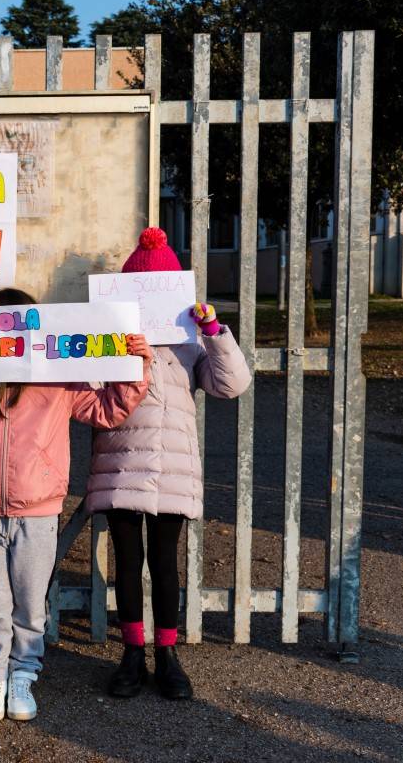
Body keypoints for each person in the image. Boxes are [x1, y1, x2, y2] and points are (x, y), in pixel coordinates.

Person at [0, 288, 152, 722]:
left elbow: (106, 410)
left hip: (38, 509)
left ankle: (23, 674)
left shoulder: (58, 374)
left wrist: (136, 367)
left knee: (31, 603)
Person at [87, 227, 252, 701]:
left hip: (172, 465)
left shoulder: (189, 342)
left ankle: (167, 654)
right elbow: (89, 388)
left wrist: (215, 334)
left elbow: (232, 384)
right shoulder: (109, 337)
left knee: (163, 562)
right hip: (119, 461)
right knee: (127, 560)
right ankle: (132, 652)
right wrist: (117, 349)